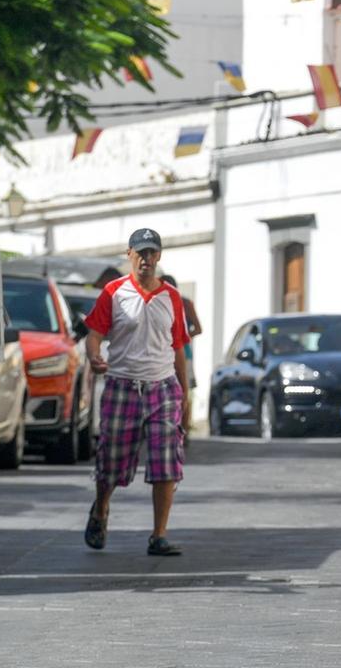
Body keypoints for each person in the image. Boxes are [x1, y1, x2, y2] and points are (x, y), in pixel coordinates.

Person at [82, 228, 191, 557]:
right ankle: (101, 508)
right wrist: (93, 355)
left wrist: (184, 393)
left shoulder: (171, 297)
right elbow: (94, 334)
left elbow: (179, 347)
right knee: (111, 462)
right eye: (140, 252)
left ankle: (159, 534)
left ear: (159, 257)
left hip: (162, 387)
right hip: (122, 385)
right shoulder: (113, 293)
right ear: (129, 254)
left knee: (165, 462)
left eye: (151, 253)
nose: (146, 259)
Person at [160, 275, 202, 432]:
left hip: (182, 352)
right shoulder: (155, 302)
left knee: (185, 391)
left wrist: (181, 337)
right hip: (161, 354)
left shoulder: (184, 302)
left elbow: (198, 328)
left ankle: (184, 430)